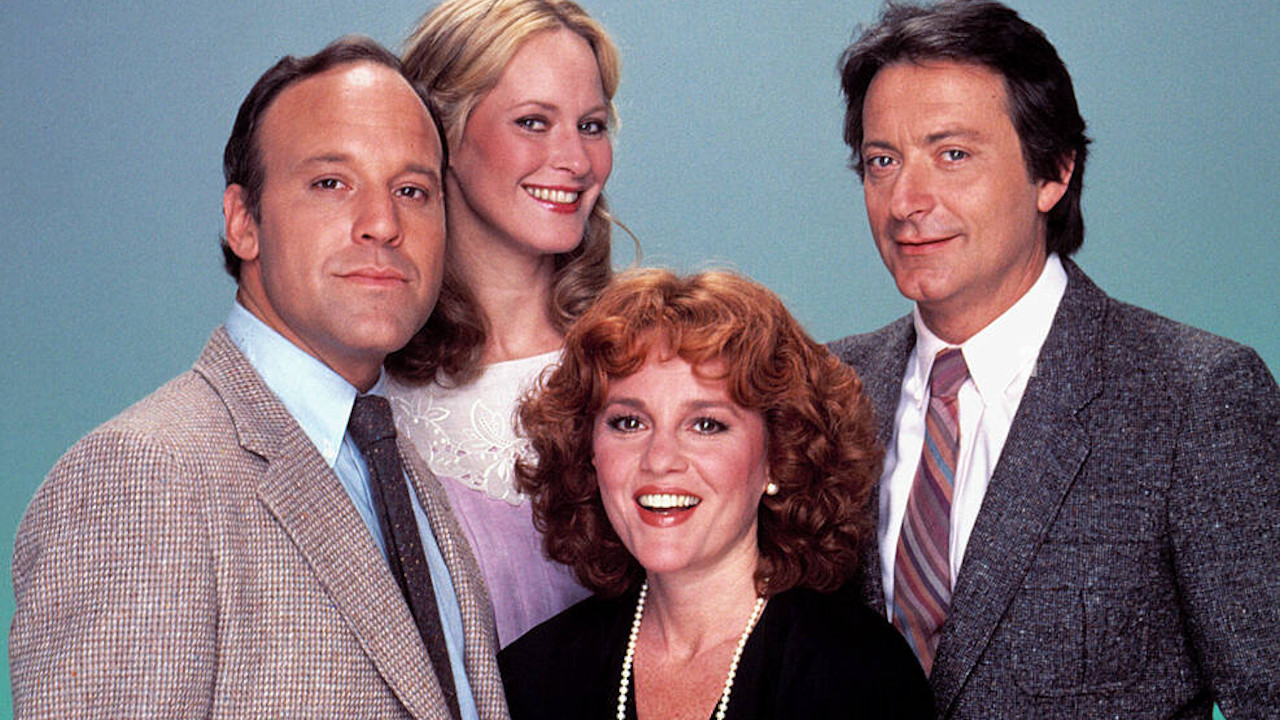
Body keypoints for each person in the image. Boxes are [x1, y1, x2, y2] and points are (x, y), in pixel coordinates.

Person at [10, 37, 508, 719]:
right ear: (243, 222)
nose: (383, 224)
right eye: (331, 183)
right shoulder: (143, 477)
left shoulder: (407, 477)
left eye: (412, 191)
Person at [829, 2, 1280, 718]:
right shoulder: (827, 390)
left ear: (1055, 172)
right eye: (883, 161)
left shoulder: (1193, 396)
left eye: (953, 155)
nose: (906, 201)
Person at [500, 269, 935, 719]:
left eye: (706, 425)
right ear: (588, 450)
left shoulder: (860, 677)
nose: (660, 460)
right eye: (629, 423)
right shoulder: (530, 677)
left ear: (778, 456)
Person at [387, 0, 622, 646]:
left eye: (591, 125)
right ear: (441, 135)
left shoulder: (647, 358)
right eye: (533, 122)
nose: (575, 160)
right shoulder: (366, 393)